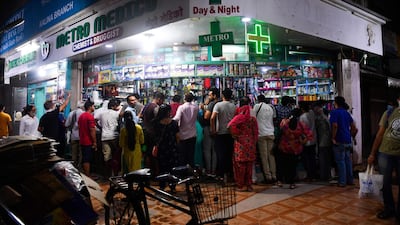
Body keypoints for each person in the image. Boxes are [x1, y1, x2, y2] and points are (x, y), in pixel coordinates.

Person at [368, 94, 400, 220]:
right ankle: (389, 208)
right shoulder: (389, 113)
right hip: (385, 153)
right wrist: (372, 153)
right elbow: (379, 134)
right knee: (385, 183)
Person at [228, 96, 258, 191]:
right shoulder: (252, 119)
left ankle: (240, 185)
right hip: (251, 144)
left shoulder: (239, 117)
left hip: (240, 145)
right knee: (249, 166)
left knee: (240, 166)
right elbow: (256, 132)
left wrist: (236, 134)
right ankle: (249, 185)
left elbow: (230, 125)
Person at [279, 108, 313, 189]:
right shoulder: (300, 124)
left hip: (285, 147)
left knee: (286, 164)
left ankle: (285, 179)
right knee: (293, 165)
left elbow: (280, 130)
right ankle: (292, 182)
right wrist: (303, 141)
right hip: (296, 148)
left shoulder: (285, 123)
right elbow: (309, 134)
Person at [329, 96, 358, 187]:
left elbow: (335, 126)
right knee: (348, 161)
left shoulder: (334, 112)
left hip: (339, 140)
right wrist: (351, 136)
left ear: (336, 103)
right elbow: (354, 128)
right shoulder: (346, 113)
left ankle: (342, 182)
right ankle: (350, 180)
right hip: (348, 140)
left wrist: (333, 138)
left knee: (340, 162)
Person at [152, 104, 180, 192]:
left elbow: (154, 136)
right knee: (172, 168)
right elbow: (177, 136)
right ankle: (172, 186)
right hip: (172, 148)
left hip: (161, 148)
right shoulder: (174, 123)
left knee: (161, 167)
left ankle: (162, 185)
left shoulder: (155, 122)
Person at [210, 88, 236, 181]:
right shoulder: (234, 106)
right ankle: (230, 174)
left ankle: (221, 174)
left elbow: (212, 118)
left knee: (220, 154)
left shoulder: (218, 105)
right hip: (230, 133)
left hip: (220, 133)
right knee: (229, 154)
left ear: (223, 96)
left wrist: (213, 130)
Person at [140, 92, 165, 175]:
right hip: (152, 133)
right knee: (154, 153)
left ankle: (147, 171)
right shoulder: (156, 107)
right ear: (159, 99)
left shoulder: (146, 106)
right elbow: (158, 120)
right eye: (162, 101)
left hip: (145, 132)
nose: (162, 102)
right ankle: (154, 172)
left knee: (146, 152)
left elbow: (140, 116)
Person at [253, 95, 276, 183]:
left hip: (261, 133)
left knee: (264, 156)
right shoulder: (271, 107)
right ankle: (274, 175)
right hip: (270, 132)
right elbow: (274, 118)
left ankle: (268, 177)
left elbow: (253, 118)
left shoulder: (257, 106)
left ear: (258, 100)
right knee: (271, 155)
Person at [273, 96, 295, 187]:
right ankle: (290, 181)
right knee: (290, 161)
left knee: (280, 161)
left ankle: (280, 180)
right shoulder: (290, 110)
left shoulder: (277, 108)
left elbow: (275, 120)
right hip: (289, 142)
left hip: (279, 137)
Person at [97, 99, 121, 176]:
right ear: (113, 106)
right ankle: (116, 173)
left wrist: (102, 128)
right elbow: (119, 124)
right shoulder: (116, 114)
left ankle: (107, 174)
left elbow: (97, 122)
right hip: (114, 136)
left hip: (104, 137)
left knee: (107, 157)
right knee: (116, 156)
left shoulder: (102, 114)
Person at [173, 93, 199, 167]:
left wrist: (169, 120)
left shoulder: (182, 107)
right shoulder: (196, 107)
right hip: (193, 134)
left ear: (184, 99)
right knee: (191, 156)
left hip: (183, 135)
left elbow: (177, 118)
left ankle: (184, 174)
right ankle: (191, 173)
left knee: (183, 156)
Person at [200, 87, 219, 175]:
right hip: (218, 129)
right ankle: (214, 170)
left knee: (207, 149)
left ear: (214, 96)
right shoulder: (219, 103)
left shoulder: (212, 104)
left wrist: (203, 107)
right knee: (214, 150)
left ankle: (209, 170)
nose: (208, 96)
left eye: (210, 95)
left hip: (209, 128)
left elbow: (206, 117)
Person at [313, 101, 332, 181]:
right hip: (326, 141)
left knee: (323, 160)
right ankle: (327, 175)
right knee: (326, 159)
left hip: (322, 142)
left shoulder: (320, 118)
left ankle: (324, 176)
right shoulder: (325, 117)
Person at [299, 102, 317, 181]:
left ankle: (309, 175)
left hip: (306, 140)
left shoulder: (302, 117)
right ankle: (313, 175)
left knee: (306, 159)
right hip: (313, 139)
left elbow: (302, 130)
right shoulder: (312, 113)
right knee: (312, 158)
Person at [78, 100, 97, 177]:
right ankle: (87, 176)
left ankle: (86, 174)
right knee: (87, 159)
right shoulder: (89, 116)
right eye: (93, 106)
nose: (94, 107)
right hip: (88, 141)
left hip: (82, 139)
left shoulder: (81, 116)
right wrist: (95, 142)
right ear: (90, 107)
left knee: (85, 157)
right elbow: (92, 130)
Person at [65, 101, 84, 170]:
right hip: (82, 136)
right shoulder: (84, 114)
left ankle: (74, 167)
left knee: (74, 153)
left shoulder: (71, 113)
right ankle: (80, 167)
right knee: (81, 153)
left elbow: (66, 124)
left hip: (73, 136)